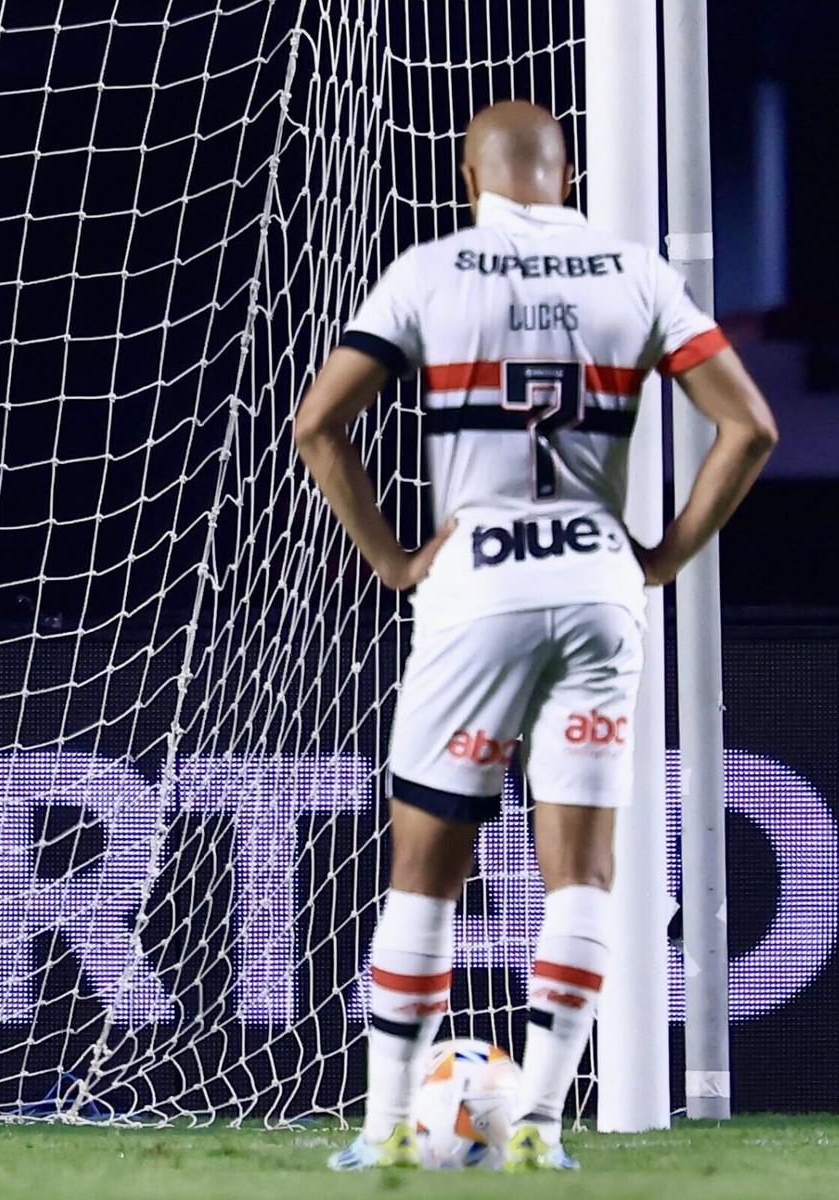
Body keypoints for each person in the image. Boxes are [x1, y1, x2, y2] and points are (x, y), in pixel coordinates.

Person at [293, 100, 777, 1172]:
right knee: (585, 878)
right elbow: (750, 427)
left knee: (424, 871)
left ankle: (382, 1136)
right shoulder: (636, 273)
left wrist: (390, 555)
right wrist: (659, 558)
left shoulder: (433, 270)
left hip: (478, 588)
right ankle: (544, 1128)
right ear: (567, 176)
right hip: (600, 586)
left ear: (472, 172)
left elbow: (318, 425)